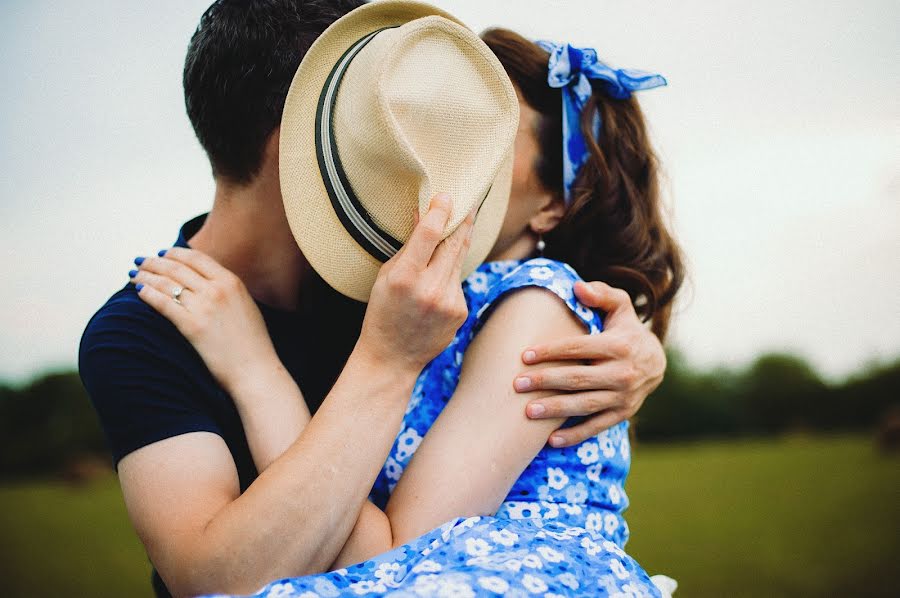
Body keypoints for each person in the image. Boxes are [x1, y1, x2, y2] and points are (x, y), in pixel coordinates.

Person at [78, 2, 668, 596]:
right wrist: (376, 359)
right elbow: (214, 580)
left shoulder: (413, 286)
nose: (433, 144)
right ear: (308, 140)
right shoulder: (141, 333)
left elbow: (398, 548)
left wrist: (638, 350)